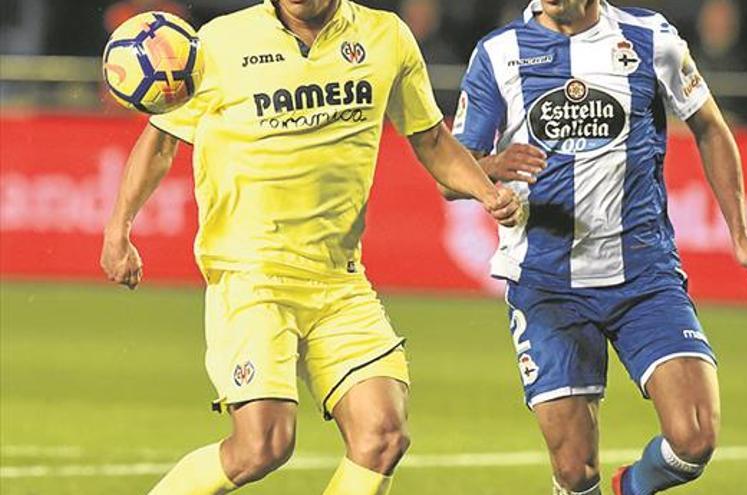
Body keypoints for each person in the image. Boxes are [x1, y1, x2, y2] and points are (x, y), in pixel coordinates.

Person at [100, 0, 521, 494]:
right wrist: (118, 230)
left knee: (382, 435)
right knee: (262, 446)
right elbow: (161, 141)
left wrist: (486, 191)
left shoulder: (386, 36)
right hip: (252, 275)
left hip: (339, 279)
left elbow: (430, 139)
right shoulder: (218, 43)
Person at [446, 1, 747, 494]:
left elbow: (709, 126)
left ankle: (632, 488)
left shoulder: (651, 38)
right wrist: (492, 173)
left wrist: (740, 233)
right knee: (574, 470)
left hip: (644, 275)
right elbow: (454, 172)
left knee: (695, 438)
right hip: (546, 283)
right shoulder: (499, 54)